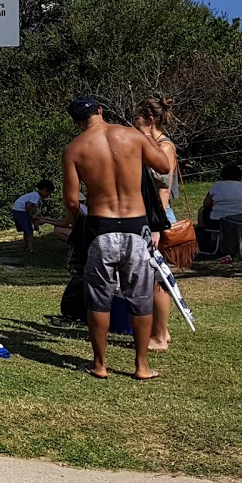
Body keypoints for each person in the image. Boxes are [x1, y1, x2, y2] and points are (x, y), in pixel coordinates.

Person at [61, 95, 172, 381]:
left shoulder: (75, 148)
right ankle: (142, 366)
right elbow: (163, 166)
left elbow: (72, 201)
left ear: (76, 122)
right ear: (100, 110)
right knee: (140, 295)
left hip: (101, 228)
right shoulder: (132, 136)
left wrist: (77, 223)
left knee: (99, 297)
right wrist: (144, 140)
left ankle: (100, 364)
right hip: (137, 226)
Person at [135, 96, 179, 351]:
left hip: (158, 219)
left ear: (150, 121)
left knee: (158, 279)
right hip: (149, 217)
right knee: (151, 278)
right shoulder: (150, 146)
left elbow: (163, 190)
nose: (134, 127)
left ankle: (160, 335)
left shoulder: (165, 147)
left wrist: (155, 227)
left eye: (136, 121)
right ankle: (160, 331)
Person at [199, 163, 242, 228]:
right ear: (240, 176)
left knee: (202, 210)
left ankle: (203, 233)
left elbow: (206, 204)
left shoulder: (217, 185)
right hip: (241, 222)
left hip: (218, 222)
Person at [11, 180, 54, 252]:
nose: (48, 196)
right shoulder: (36, 196)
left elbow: (31, 208)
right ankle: (31, 248)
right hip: (20, 211)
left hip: (18, 210)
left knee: (27, 229)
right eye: (48, 193)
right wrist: (31, 215)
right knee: (29, 230)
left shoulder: (33, 194)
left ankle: (27, 246)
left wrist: (32, 218)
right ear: (45, 190)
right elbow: (28, 206)